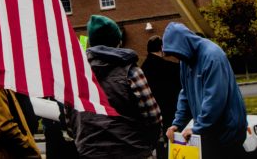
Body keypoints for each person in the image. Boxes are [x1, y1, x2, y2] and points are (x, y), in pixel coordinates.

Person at [68, 15, 160, 159]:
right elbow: (153, 117)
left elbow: (69, 121)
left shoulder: (75, 76)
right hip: (132, 151)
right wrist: (148, 145)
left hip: (90, 153)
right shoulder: (132, 72)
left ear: (91, 42)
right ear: (119, 41)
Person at [162, 22, 246, 159]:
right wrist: (176, 124)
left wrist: (197, 128)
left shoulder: (212, 56)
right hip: (209, 131)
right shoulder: (185, 60)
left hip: (227, 131)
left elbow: (215, 99)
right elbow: (185, 94)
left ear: (184, 44)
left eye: (176, 53)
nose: (177, 57)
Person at [140, 35, 181, 159]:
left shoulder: (142, 69)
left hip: (152, 115)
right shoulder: (171, 68)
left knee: (159, 146)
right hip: (170, 111)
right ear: (162, 48)